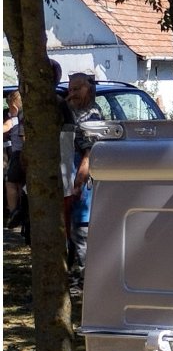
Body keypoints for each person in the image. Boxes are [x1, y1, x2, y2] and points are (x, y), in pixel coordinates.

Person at [64, 71, 101, 290]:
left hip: (81, 178)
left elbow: (89, 154)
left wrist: (79, 180)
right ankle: (74, 277)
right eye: (71, 89)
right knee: (70, 229)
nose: (73, 93)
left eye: (78, 88)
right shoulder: (71, 110)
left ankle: (86, 281)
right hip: (67, 173)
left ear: (89, 89)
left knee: (81, 230)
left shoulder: (91, 114)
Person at [4, 89, 22, 229]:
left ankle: (13, 210)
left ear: (14, 107)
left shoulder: (14, 119)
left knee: (10, 183)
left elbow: (4, 127)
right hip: (27, 155)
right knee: (21, 184)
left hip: (17, 155)